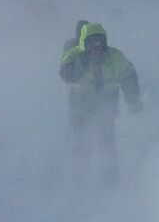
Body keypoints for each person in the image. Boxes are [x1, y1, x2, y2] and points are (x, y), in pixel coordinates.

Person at [59, 22, 142, 187]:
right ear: (84, 43)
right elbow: (67, 75)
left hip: (107, 110)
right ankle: (79, 183)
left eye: (100, 42)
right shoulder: (74, 56)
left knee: (106, 145)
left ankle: (110, 183)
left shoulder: (115, 57)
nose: (97, 47)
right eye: (92, 43)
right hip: (80, 110)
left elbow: (129, 78)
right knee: (81, 145)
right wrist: (80, 65)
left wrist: (132, 100)